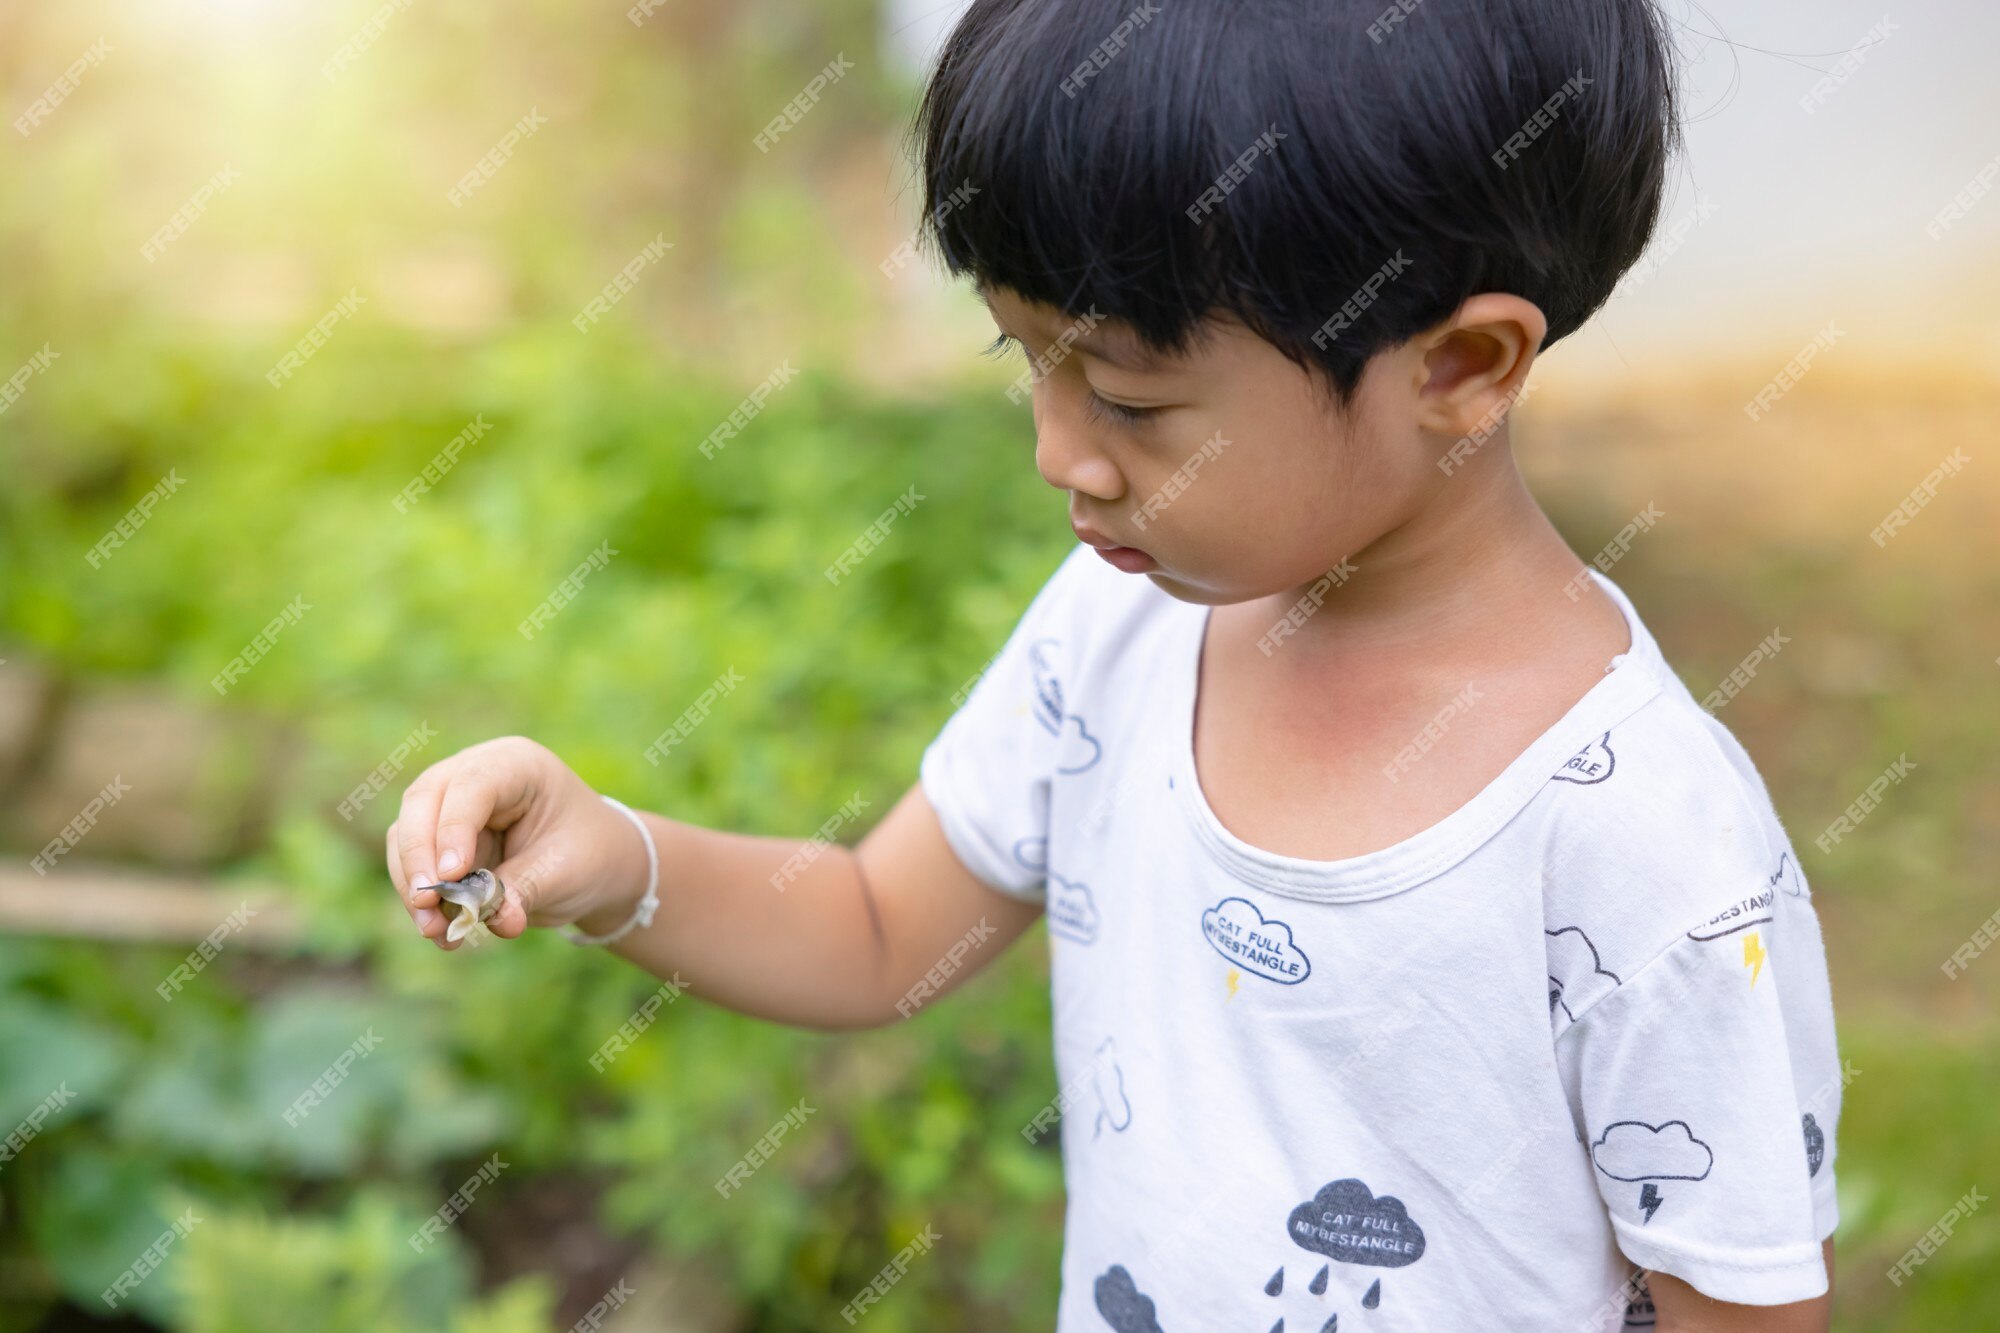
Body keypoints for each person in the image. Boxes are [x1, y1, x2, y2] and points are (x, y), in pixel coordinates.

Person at [387, 1, 1841, 1326]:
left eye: (1134, 400)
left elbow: (1740, 1301)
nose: (1056, 452)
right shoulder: (1124, 628)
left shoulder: (1638, 838)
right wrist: (610, 855)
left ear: (1458, 367)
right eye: (1026, 360)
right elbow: (881, 927)